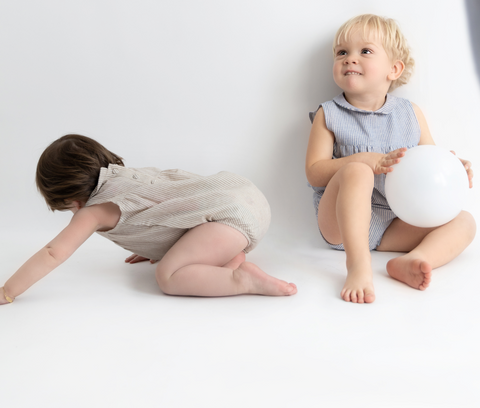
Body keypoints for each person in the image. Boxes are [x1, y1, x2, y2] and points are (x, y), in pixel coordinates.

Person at [0, 134, 297, 304]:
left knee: (168, 276)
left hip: (232, 221)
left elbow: (53, 253)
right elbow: (170, 205)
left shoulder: (92, 211)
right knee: (178, 256)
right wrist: (156, 244)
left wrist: (7, 291)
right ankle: (232, 259)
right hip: (247, 196)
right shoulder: (127, 177)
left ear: (70, 199)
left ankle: (240, 279)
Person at [305, 14, 476, 304]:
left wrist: (453, 169)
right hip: (339, 225)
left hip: (392, 222)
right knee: (358, 171)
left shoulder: (410, 113)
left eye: (365, 51)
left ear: (394, 69)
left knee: (465, 222)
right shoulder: (329, 114)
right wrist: (361, 160)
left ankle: (416, 259)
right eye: (342, 52)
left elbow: (429, 161)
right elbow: (314, 172)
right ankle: (358, 265)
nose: (350, 59)